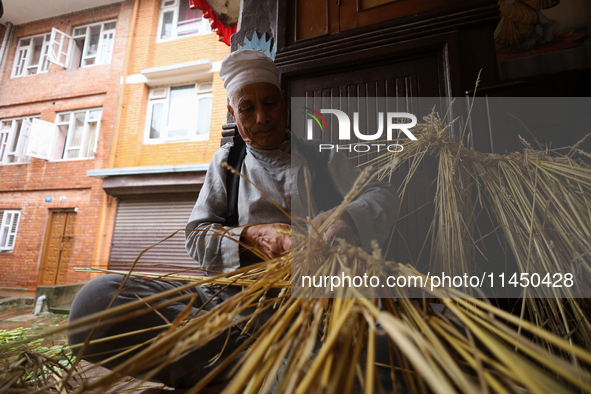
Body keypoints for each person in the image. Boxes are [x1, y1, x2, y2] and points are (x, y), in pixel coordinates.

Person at [67, 49, 397, 389]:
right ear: (232, 113)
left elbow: (382, 195)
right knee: (94, 303)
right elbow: (196, 237)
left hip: (313, 310)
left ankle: (265, 370)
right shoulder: (227, 164)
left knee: (380, 355)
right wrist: (251, 236)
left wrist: (347, 221)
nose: (262, 118)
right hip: (231, 309)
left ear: (284, 103)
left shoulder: (321, 155)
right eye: (247, 108)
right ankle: (267, 369)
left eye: (270, 103)